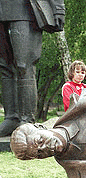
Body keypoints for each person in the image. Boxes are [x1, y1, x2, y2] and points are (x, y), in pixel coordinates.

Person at [0, 0, 65, 137]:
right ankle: (11, 118)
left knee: (24, 66)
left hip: (24, 10)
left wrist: (58, 9)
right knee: (5, 67)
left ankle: (27, 121)